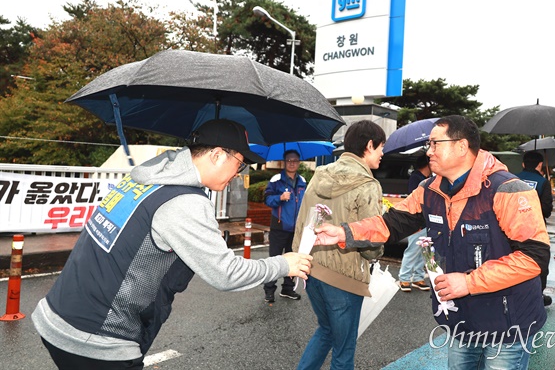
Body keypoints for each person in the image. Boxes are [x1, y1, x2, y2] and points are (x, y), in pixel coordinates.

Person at [31, 119, 312, 369]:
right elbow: (226, 273)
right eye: (239, 163)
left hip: (57, 317)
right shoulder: (184, 201)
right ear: (216, 155)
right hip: (99, 341)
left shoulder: (146, 179)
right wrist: (283, 263)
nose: (238, 173)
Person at [314, 115, 550, 370]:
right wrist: (344, 233)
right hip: (462, 321)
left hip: (508, 324)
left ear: (461, 146)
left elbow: (533, 257)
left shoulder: (507, 190)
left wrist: (469, 282)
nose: (429, 152)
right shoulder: (430, 190)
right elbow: (390, 224)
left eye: (435, 144)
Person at [293, 120, 386, 370]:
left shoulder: (319, 175)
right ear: (369, 145)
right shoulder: (368, 185)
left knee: (325, 331)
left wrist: (297, 259)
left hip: (312, 267)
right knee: (344, 349)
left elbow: (303, 221)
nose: (382, 153)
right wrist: (377, 252)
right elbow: (371, 241)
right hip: (345, 276)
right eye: (380, 148)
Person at [263, 149, 306, 302]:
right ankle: (269, 290)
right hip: (279, 226)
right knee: (275, 259)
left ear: (299, 163)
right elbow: (267, 200)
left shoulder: (303, 181)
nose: (292, 163)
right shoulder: (276, 180)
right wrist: (280, 197)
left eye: (295, 160)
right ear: (284, 162)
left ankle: (288, 288)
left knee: (293, 259)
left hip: (296, 228)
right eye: (289, 160)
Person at [515, 150, 553, 306]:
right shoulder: (543, 182)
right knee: (539, 261)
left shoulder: (511, 178)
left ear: (523, 164)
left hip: (512, 228)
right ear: (540, 165)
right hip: (534, 230)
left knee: (513, 261)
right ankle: (537, 295)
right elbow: (547, 210)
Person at [397, 154, 432, 292]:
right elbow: (418, 199)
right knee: (412, 249)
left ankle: (418, 278)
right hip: (416, 221)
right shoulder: (416, 178)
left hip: (425, 220)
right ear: (427, 164)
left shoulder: (425, 179)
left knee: (424, 251)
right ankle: (404, 278)